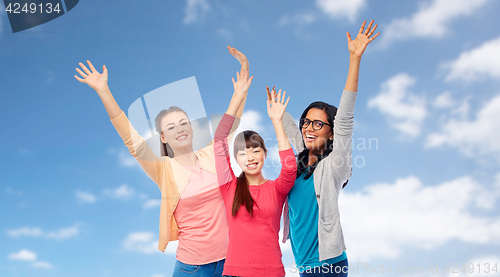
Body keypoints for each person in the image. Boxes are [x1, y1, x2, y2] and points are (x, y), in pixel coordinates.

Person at [74, 46, 250, 277]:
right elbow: (131, 140)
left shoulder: (212, 153)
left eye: (183, 122)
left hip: (232, 262)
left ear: (191, 128)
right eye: (170, 127)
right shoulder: (163, 168)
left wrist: (244, 71)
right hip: (193, 269)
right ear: (164, 138)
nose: (179, 129)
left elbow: (233, 119)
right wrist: (103, 90)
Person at [272, 20, 380, 277]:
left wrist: (355, 59)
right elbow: (290, 129)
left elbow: (345, 120)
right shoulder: (300, 161)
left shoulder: (333, 166)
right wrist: (279, 111)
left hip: (327, 266)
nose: (309, 128)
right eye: (306, 122)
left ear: (331, 132)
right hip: (304, 267)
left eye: (318, 123)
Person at [214, 70, 297, 277]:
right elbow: (219, 140)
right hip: (234, 272)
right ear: (236, 159)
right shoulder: (229, 186)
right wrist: (238, 96)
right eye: (242, 152)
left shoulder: (277, 189)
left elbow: (290, 167)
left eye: (255, 150)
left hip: (272, 272)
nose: (250, 157)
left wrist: (277, 121)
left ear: (265, 154)